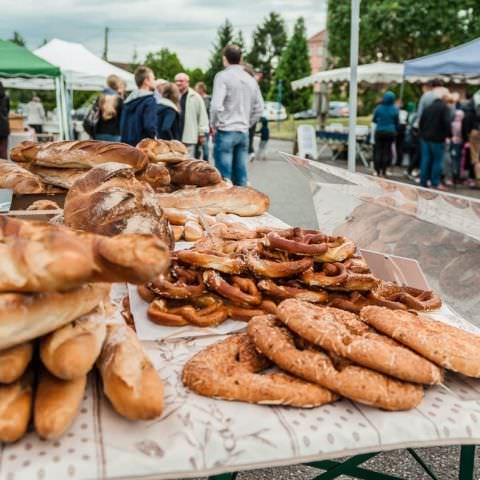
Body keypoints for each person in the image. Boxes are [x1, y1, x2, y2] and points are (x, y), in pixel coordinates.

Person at [210, 44, 264, 186]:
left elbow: (216, 106)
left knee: (223, 180)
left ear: (224, 59)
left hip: (226, 130)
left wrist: (214, 124)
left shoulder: (223, 76)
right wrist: (248, 123)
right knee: (241, 178)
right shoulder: (251, 79)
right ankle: (241, 206)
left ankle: (225, 207)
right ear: (241, 58)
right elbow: (259, 108)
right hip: (243, 131)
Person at [419, 88, 452, 189]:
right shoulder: (445, 108)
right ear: (443, 97)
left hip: (425, 137)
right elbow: (447, 123)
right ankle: (435, 182)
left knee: (425, 159)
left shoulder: (428, 107)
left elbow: (421, 122)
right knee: (437, 160)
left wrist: (423, 133)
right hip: (437, 138)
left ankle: (423, 181)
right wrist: (449, 135)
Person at [120, 66, 157, 146]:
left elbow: (122, 125)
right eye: (153, 79)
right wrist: (154, 139)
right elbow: (149, 126)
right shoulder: (149, 100)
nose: (155, 82)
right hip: (142, 146)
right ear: (146, 81)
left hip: (126, 144)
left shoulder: (128, 101)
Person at [174, 73, 208, 156]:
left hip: (189, 137)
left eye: (181, 81)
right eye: (176, 81)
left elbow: (202, 116)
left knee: (188, 162)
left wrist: (202, 133)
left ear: (187, 82)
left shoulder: (195, 97)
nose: (178, 83)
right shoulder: (173, 95)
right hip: (175, 137)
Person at [372, 91, 399, 177]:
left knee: (378, 150)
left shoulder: (379, 108)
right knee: (387, 151)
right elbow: (397, 122)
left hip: (380, 131)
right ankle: (384, 170)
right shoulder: (395, 109)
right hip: (390, 132)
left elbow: (374, 120)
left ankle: (377, 170)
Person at [95, 75, 125, 142]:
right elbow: (123, 118)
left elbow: (95, 114)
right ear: (117, 84)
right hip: (114, 134)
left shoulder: (100, 98)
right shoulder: (119, 99)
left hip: (99, 132)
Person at [194, 81, 211, 160]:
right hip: (196, 126)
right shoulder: (195, 98)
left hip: (204, 126)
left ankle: (206, 164)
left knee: (205, 148)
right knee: (196, 149)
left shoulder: (208, 100)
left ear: (201, 89)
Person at [0, 82, 9, 159]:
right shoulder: (6, 98)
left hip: (3, 126)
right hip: (4, 126)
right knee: (3, 151)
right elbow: (7, 111)